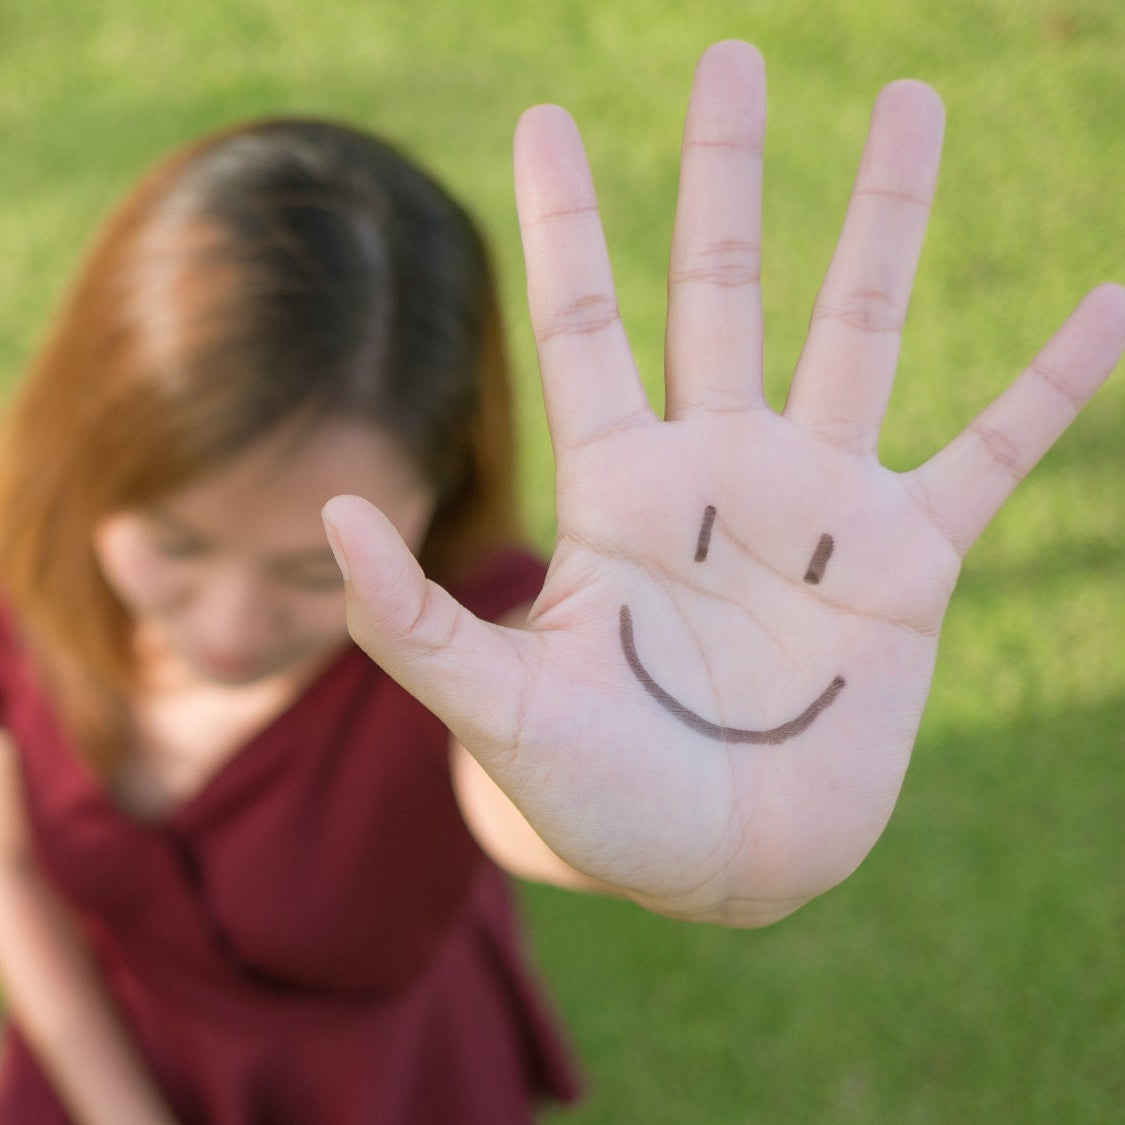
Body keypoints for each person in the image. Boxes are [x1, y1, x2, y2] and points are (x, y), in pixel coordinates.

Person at [0, 37, 1121, 1125]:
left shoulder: (510, 647)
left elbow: (529, 763)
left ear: (440, 491)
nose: (232, 622)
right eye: (179, 547)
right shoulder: (22, 565)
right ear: (78, 452)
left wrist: (697, 787)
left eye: (315, 565)